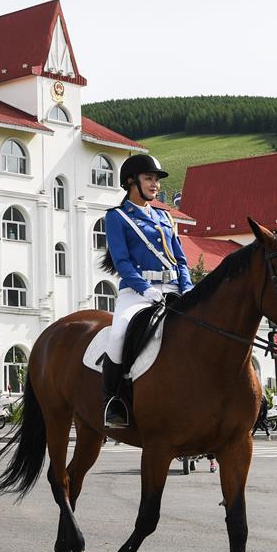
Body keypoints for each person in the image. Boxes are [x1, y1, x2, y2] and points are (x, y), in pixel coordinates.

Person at [100, 154, 193, 428]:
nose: (155, 185)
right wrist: (144, 289)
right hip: (137, 291)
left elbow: (181, 258)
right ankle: (114, 401)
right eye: (149, 178)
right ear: (131, 182)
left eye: (156, 180)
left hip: (174, 286)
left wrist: (187, 287)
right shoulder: (116, 217)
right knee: (118, 335)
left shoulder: (164, 217)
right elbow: (122, 261)